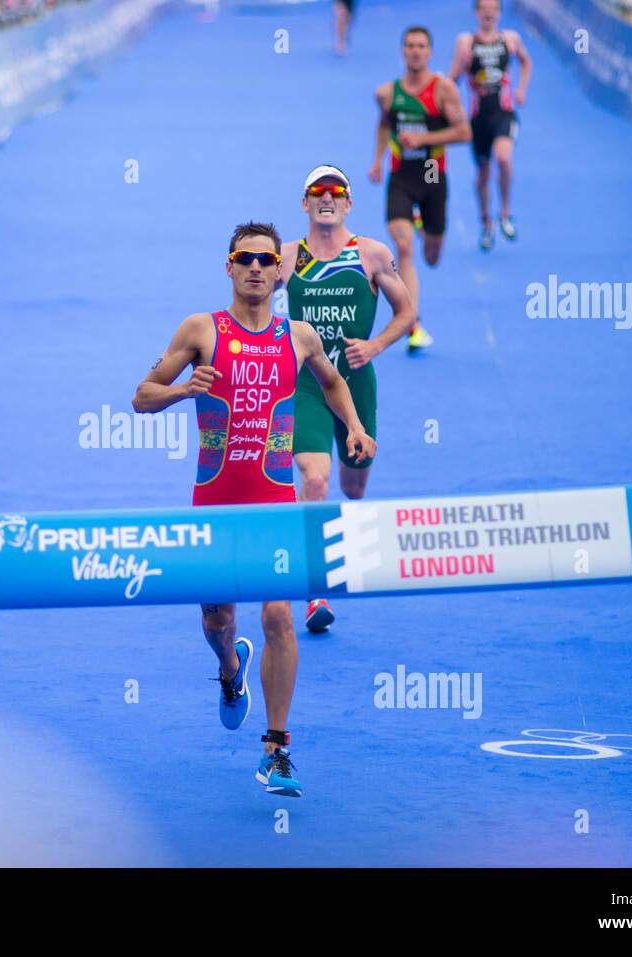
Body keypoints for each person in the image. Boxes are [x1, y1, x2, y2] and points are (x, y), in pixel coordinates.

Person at [132, 222, 377, 797]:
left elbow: (335, 383)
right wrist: (182, 391)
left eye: (268, 261)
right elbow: (141, 396)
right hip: (213, 506)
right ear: (229, 266)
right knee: (218, 622)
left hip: (273, 502)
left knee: (278, 617)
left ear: (280, 271)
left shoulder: (300, 337)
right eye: (245, 259)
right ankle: (228, 669)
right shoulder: (201, 330)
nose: (257, 269)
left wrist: (356, 427)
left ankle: (277, 750)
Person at [278, 166, 415, 633]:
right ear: (304, 203)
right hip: (309, 385)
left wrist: (374, 346)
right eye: (317, 191)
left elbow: (408, 310)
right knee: (314, 480)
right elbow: (249, 296)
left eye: (336, 192)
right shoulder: (287, 257)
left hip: (357, 384)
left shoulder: (372, 254)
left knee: (352, 488)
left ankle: (336, 534)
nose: (327, 198)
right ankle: (316, 590)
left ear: (349, 203)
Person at [369, 27, 469, 354]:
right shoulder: (387, 93)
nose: (415, 52)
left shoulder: (443, 91)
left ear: (429, 52)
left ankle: (427, 227)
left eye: (421, 47)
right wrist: (377, 160)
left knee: (432, 255)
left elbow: (464, 132)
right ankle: (413, 323)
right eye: (410, 46)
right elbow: (384, 124)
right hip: (401, 175)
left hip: (431, 174)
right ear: (403, 50)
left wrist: (424, 140)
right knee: (404, 249)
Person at [448, 0, 532, 251]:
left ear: (498, 13)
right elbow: (451, 82)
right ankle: (486, 221)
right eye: (483, 9)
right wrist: (462, 67)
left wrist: (521, 90)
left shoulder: (510, 39)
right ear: (476, 13)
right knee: (483, 173)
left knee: (503, 158)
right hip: (478, 119)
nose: (488, 13)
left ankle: (505, 212)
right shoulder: (465, 42)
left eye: (493, 9)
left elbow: (527, 62)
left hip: (504, 113)